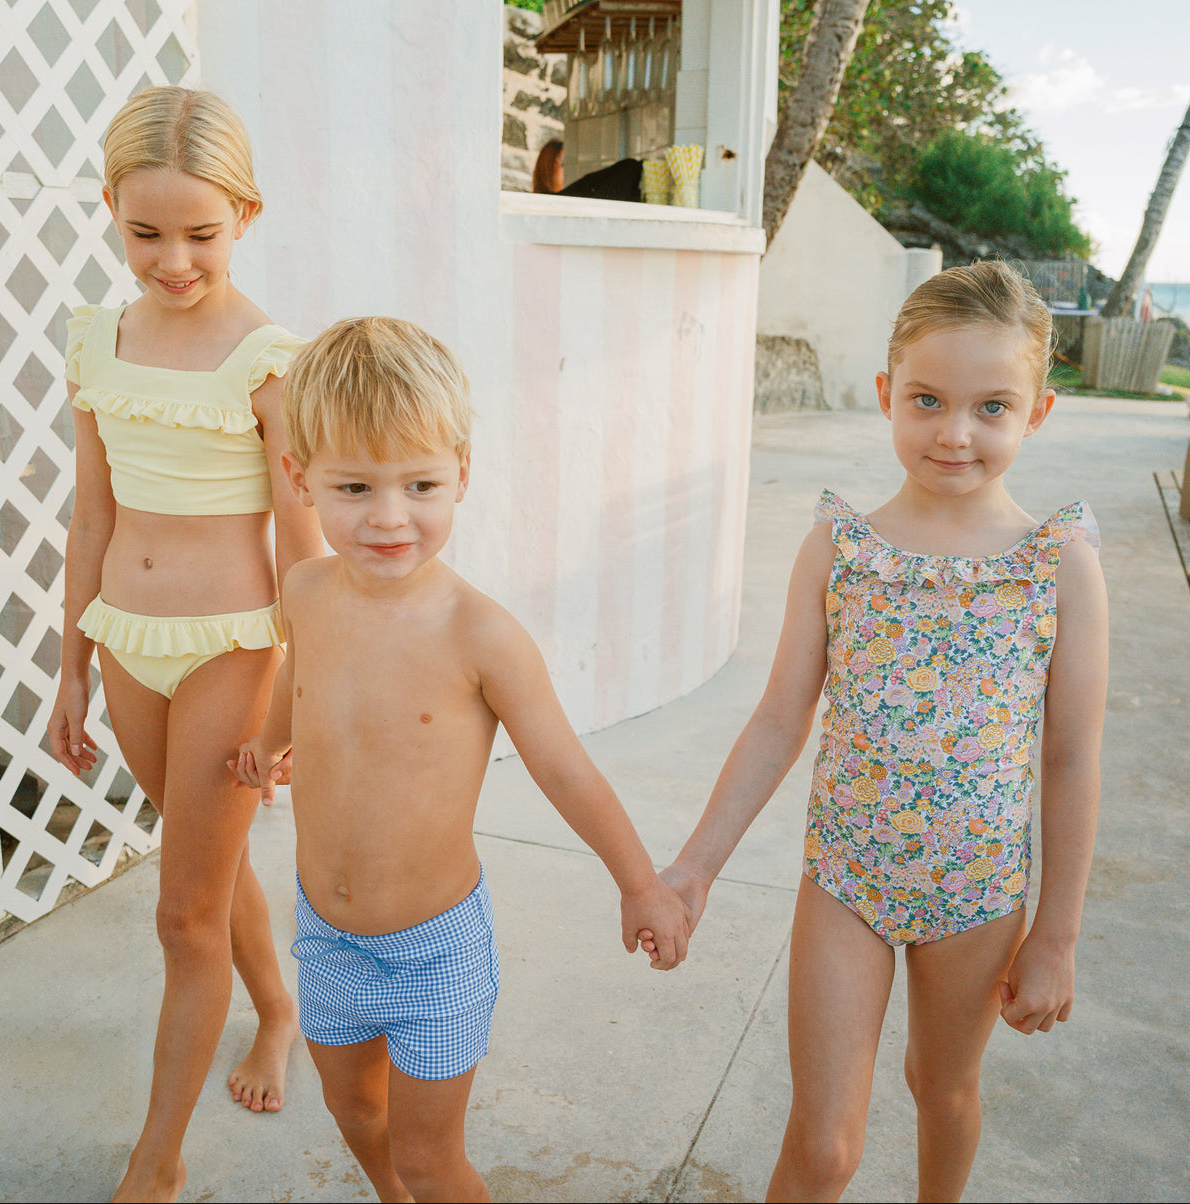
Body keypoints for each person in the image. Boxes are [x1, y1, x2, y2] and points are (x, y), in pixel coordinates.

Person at [646, 260, 1108, 1202]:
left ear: (1039, 412)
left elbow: (1069, 758)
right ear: (885, 394)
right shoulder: (840, 547)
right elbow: (780, 719)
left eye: (991, 407)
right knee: (824, 1148)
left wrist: (1056, 934)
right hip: (847, 880)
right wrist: (694, 867)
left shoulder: (1058, 566)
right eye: (929, 399)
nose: (954, 433)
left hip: (978, 896)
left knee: (941, 1092)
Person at [229, 315, 691, 1202]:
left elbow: (564, 768)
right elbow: (299, 678)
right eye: (355, 487)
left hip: (435, 950)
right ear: (301, 479)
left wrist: (640, 883)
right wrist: (268, 743)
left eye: (421, 484)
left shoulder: (481, 635)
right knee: (357, 1117)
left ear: (463, 476)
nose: (390, 517)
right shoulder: (308, 592)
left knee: (430, 1157)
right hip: (325, 934)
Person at [46, 86, 324, 1201]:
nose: (171, 260)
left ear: (246, 214)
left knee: (181, 909)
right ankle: (280, 1014)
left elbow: (302, 549)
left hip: (229, 653)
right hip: (124, 642)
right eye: (144, 232)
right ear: (112, 207)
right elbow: (91, 516)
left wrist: (296, 700)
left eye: (200, 235)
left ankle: (153, 1166)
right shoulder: (95, 338)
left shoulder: (268, 361)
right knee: (210, 866)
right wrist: (69, 663)